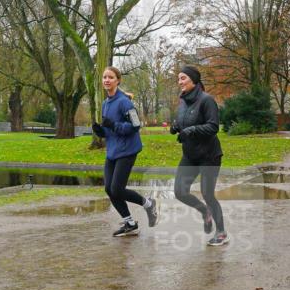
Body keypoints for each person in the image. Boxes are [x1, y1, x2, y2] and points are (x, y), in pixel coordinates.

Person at [92, 66, 159, 237]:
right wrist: (101, 131)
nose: (107, 80)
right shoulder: (106, 103)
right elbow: (110, 130)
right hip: (113, 151)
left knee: (118, 189)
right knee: (109, 188)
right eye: (104, 77)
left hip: (128, 150)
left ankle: (148, 204)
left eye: (111, 77)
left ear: (118, 80)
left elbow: (136, 126)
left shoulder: (124, 102)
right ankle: (130, 223)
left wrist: (114, 125)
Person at [170, 65, 227, 246]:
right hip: (190, 155)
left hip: (209, 155)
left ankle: (221, 232)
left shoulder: (206, 100)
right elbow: (183, 122)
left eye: (183, 78)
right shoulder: (183, 102)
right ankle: (204, 211)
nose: (180, 82)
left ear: (194, 80)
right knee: (179, 192)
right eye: (178, 79)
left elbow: (213, 126)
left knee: (208, 194)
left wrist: (191, 130)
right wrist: (176, 127)